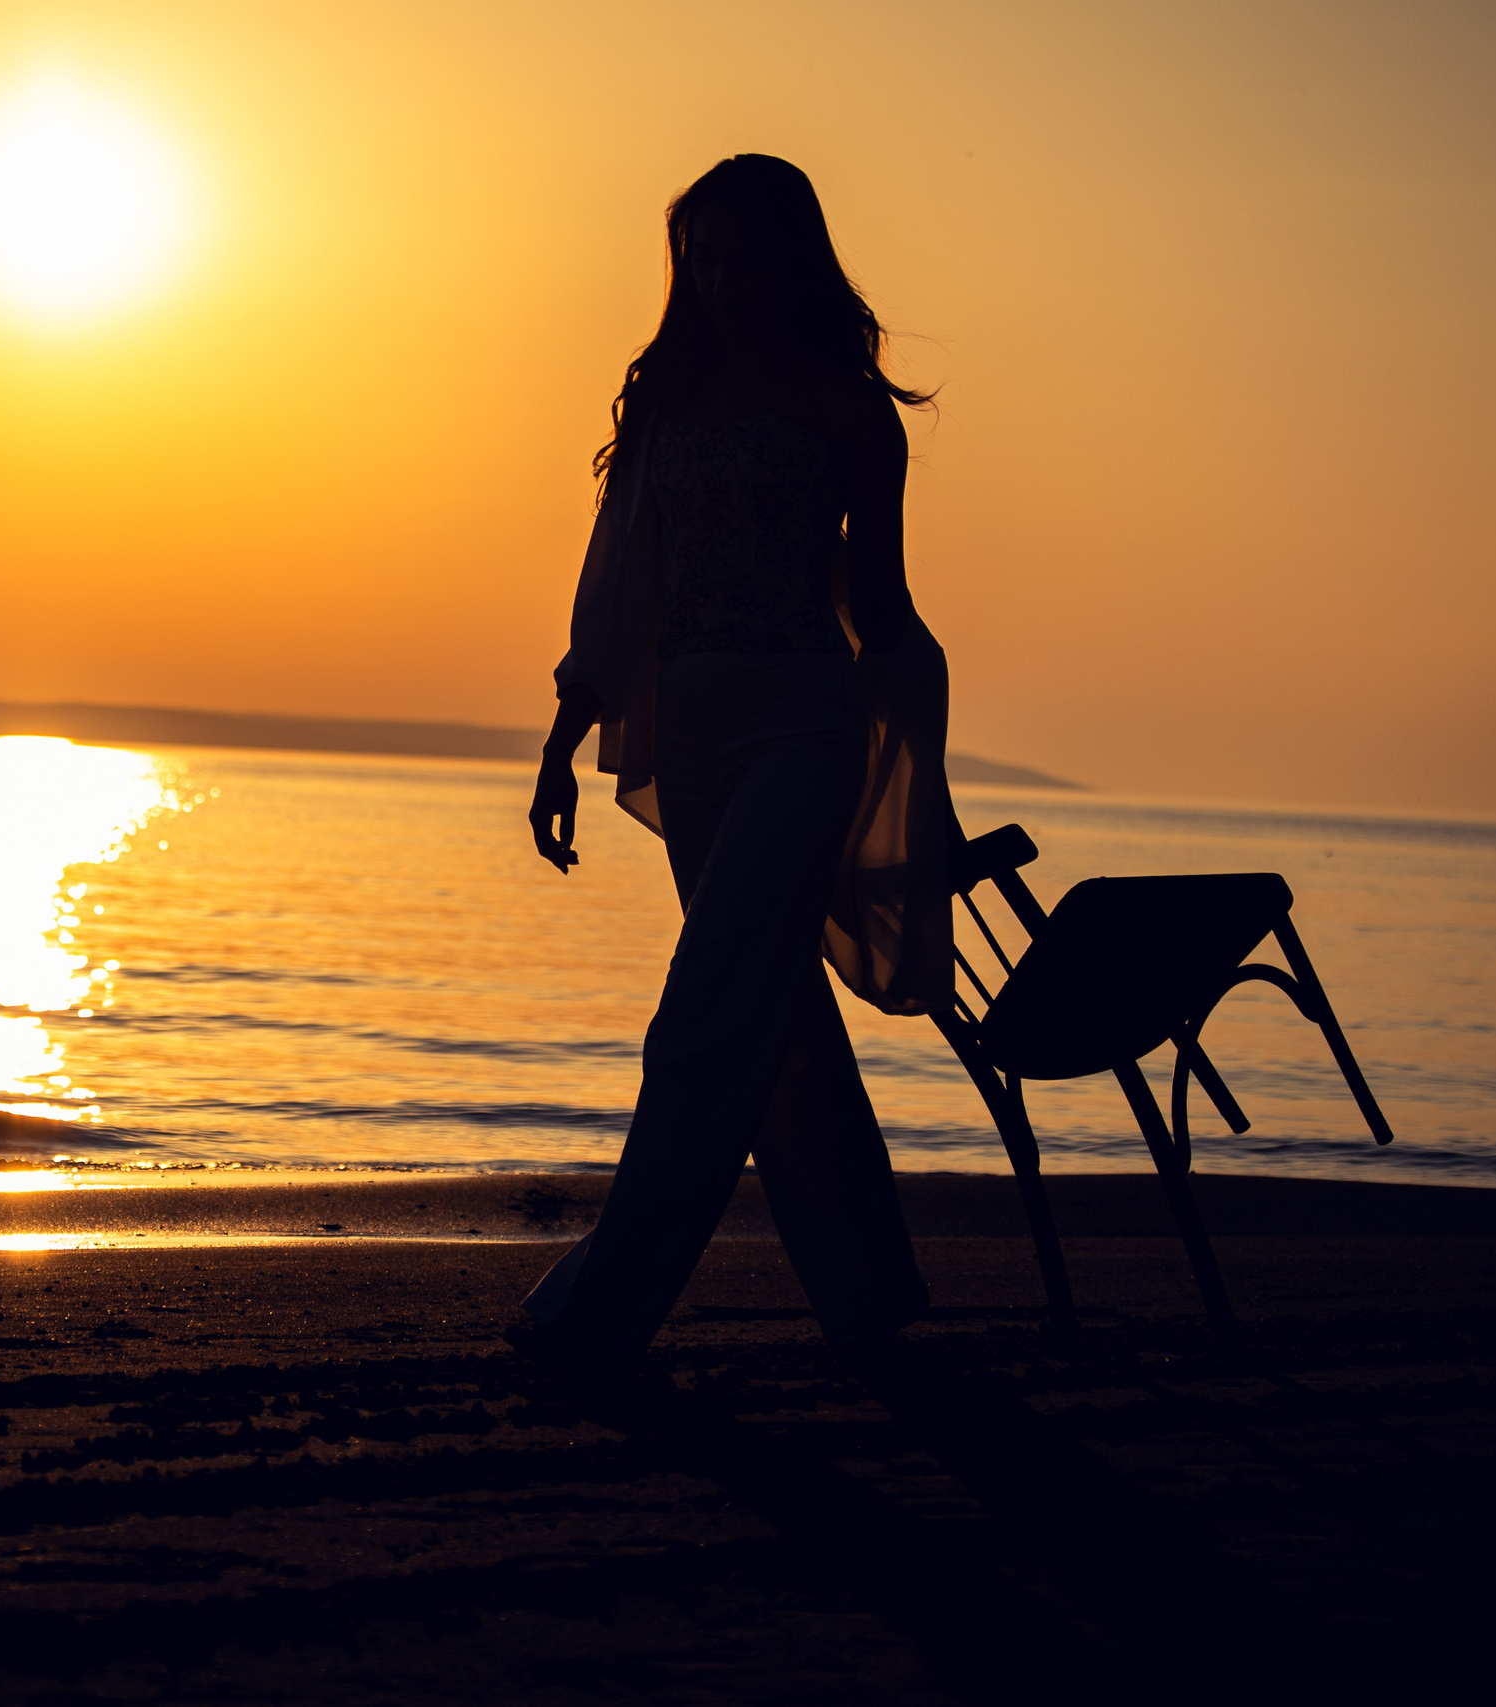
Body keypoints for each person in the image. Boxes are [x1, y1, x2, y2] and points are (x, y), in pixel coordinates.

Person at [517, 154, 952, 1364]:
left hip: (803, 726)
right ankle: (871, 1292)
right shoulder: (667, 401)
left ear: (796, 260)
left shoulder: (850, 412)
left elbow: (886, 606)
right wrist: (564, 737)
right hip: (696, 736)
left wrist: (922, 783)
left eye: (745, 255)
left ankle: (604, 1306)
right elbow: (613, 591)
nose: (721, 280)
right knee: (775, 1013)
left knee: (706, 1008)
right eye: (701, 258)